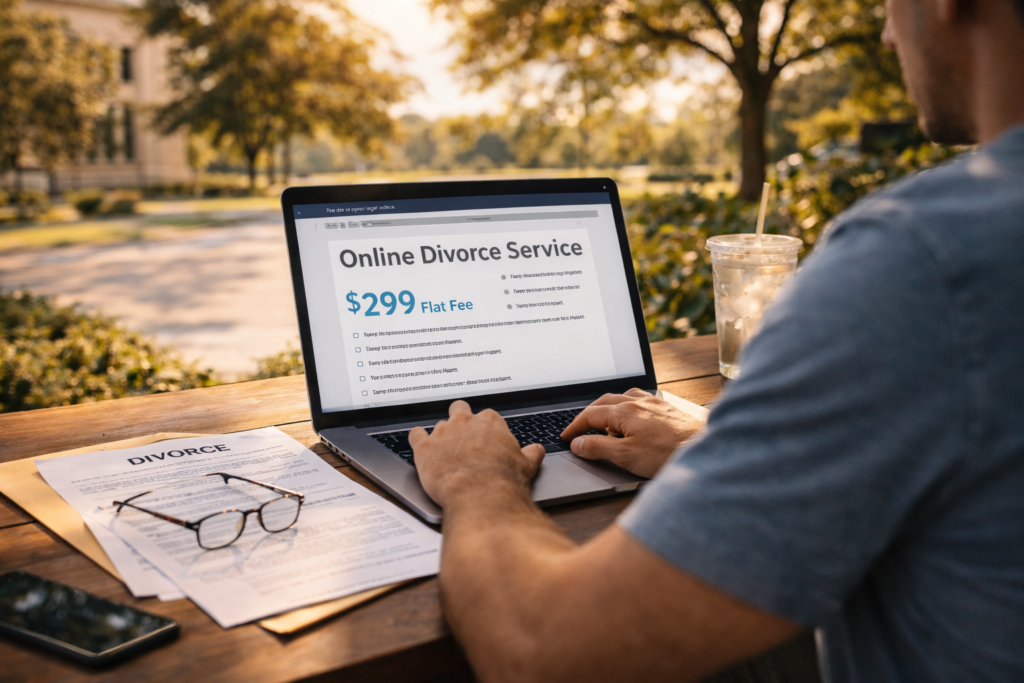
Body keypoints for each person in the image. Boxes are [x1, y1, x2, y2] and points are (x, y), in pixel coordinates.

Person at [408, 0, 1024, 680]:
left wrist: (474, 478)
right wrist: (729, 450)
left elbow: (539, 648)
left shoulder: (920, 262)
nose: (884, 31)